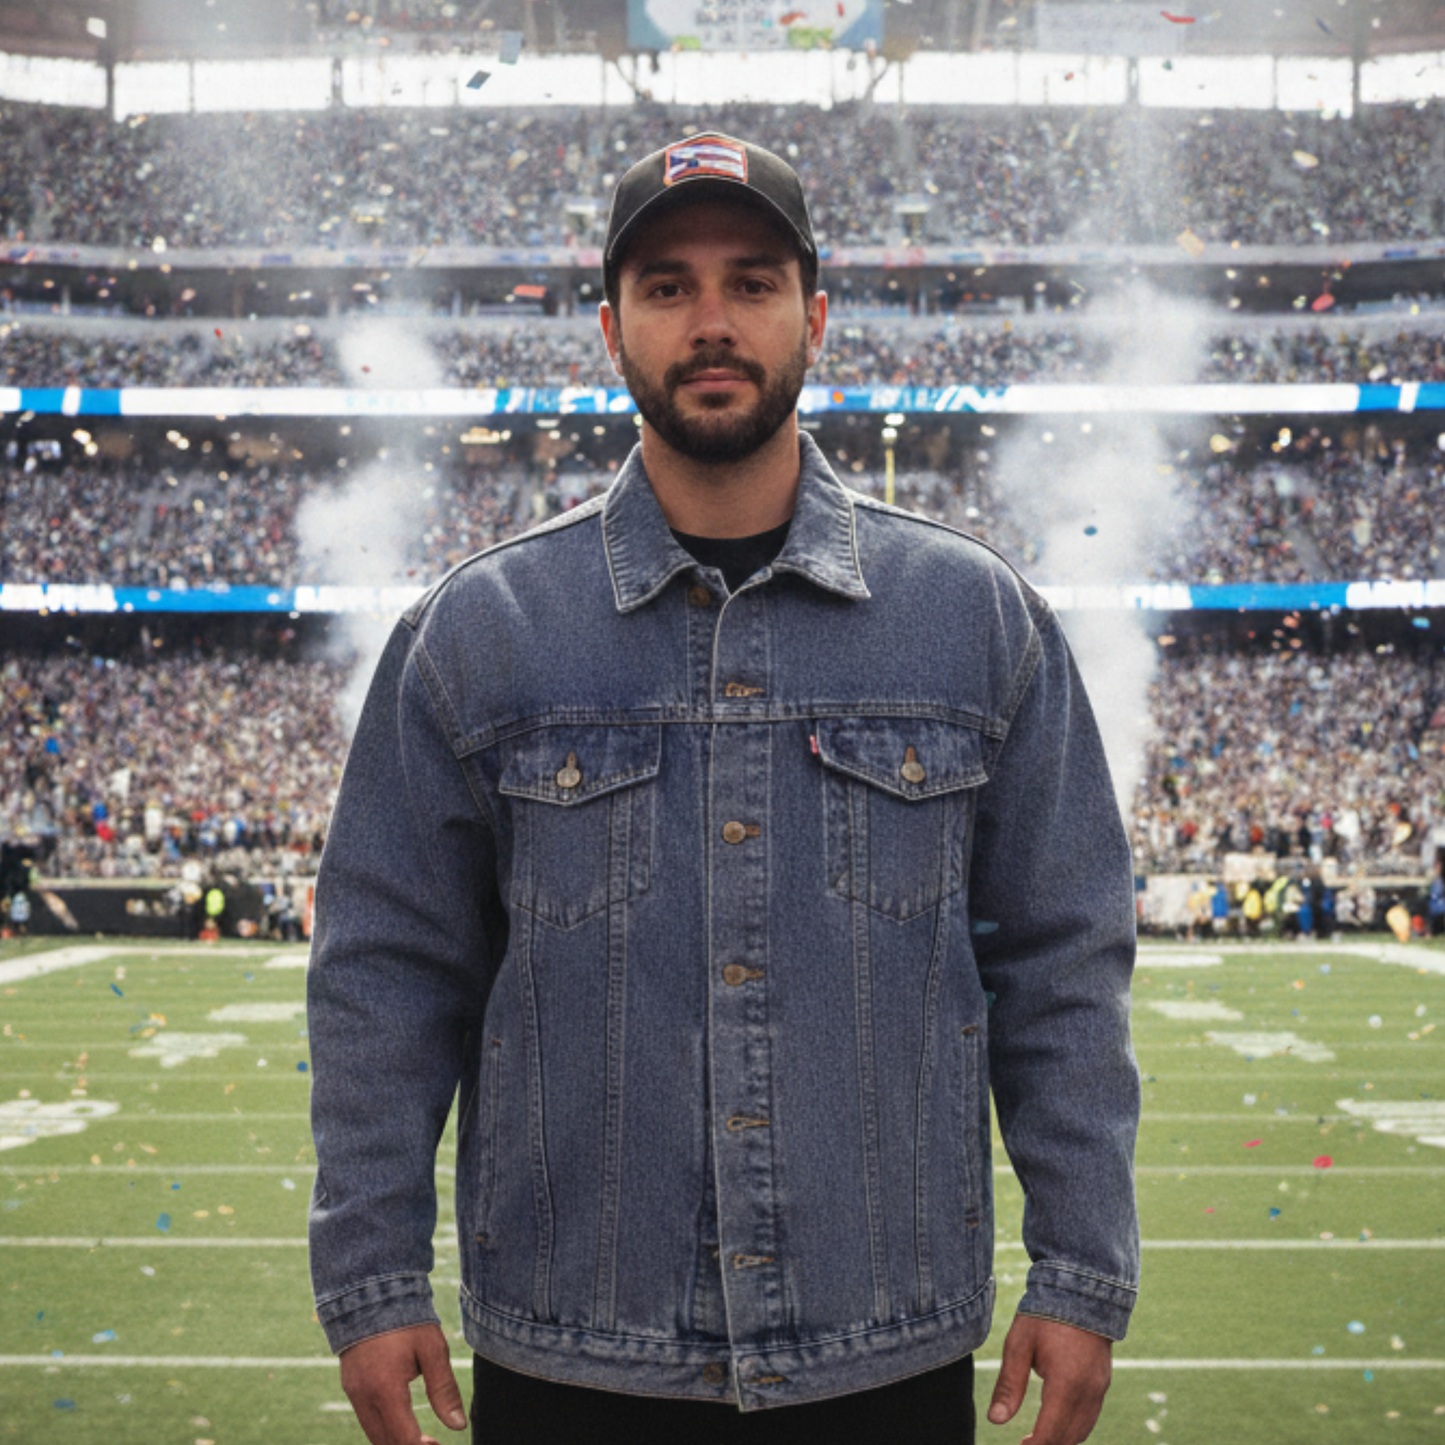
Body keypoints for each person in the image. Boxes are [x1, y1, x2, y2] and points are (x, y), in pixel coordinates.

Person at [307, 133, 1140, 1445]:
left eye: (752, 282)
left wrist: (1082, 1266)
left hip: (881, 1344)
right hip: (575, 1350)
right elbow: (386, 975)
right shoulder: (477, 631)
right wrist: (372, 1275)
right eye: (667, 286)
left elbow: (1062, 965)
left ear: (815, 318)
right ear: (610, 328)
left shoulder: (978, 619)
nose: (711, 321)